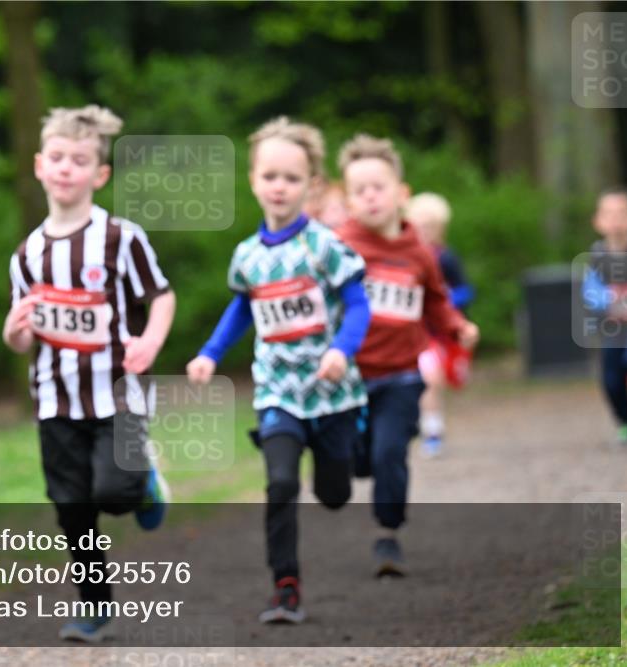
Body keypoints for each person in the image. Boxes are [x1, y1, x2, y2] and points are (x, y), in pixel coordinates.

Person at [2, 105, 176, 642]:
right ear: (38, 165)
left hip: (118, 391)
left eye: (78, 160)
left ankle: (144, 480)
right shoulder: (27, 253)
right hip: (55, 399)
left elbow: (162, 296)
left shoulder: (121, 239)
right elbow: (23, 338)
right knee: (71, 508)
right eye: (56, 157)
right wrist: (14, 331)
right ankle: (95, 606)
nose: (65, 168)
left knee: (114, 494)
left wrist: (150, 339)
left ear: (99, 175)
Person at [187, 117, 371, 623]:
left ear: (311, 186)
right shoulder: (247, 255)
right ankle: (284, 586)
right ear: (253, 181)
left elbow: (358, 305)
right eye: (270, 176)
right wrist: (209, 353)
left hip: (331, 389)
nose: (279, 187)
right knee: (281, 484)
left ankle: (346, 452)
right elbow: (242, 309)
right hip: (278, 390)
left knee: (334, 495)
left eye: (291, 178)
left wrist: (341, 349)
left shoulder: (324, 246)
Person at [336, 134, 479, 577]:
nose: (370, 196)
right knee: (356, 459)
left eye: (379, 186)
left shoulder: (419, 252)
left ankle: (388, 534)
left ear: (402, 193)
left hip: (401, 374)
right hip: (349, 378)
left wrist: (457, 326)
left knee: (389, 453)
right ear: (348, 199)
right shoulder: (338, 244)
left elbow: (436, 300)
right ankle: (356, 463)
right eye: (359, 190)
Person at [408, 192, 475, 458]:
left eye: (429, 226)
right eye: (419, 225)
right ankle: (431, 429)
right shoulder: (406, 256)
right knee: (429, 378)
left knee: (440, 379)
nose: (424, 231)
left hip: (440, 331)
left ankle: (431, 425)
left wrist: (443, 300)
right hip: (415, 332)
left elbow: (466, 291)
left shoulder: (446, 258)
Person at [583, 186, 627, 448]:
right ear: (598, 222)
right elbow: (593, 294)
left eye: (622, 213)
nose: (616, 220)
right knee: (612, 380)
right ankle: (625, 421)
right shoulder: (596, 259)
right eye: (609, 214)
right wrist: (616, 303)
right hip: (614, 329)